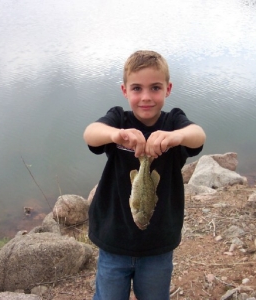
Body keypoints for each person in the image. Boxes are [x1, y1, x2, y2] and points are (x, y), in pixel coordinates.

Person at [83, 50, 206, 300]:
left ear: (168, 89)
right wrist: (116, 135)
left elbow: (199, 135)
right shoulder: (118, 119)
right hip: (113, 240)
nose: (146, 97)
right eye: (137, 88)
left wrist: (176, 137)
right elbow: (90, 133)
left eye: (155, 88)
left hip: (158, 245)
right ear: (124, 90)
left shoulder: (174, 121)